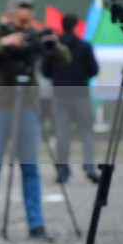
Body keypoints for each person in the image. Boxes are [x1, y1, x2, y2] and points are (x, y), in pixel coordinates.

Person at [0, 0, 71, 241]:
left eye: (29, 22)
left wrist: (53, 45)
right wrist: (2, 43)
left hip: (28, 106)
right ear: (10, 14)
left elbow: (64, 58)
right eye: (21, 22)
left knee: (31, 168)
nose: (25, 27)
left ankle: (36, 225)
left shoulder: (33, 33)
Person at [43, 13, 101, 184]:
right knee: (87, 132)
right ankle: (89, 166)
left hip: (60, 94)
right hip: (80, 94)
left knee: (62, 133)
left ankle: (63, 170)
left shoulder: (54, 47)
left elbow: (46, 71)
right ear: (76, 26)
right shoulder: (84, 46)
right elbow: (93, 70)